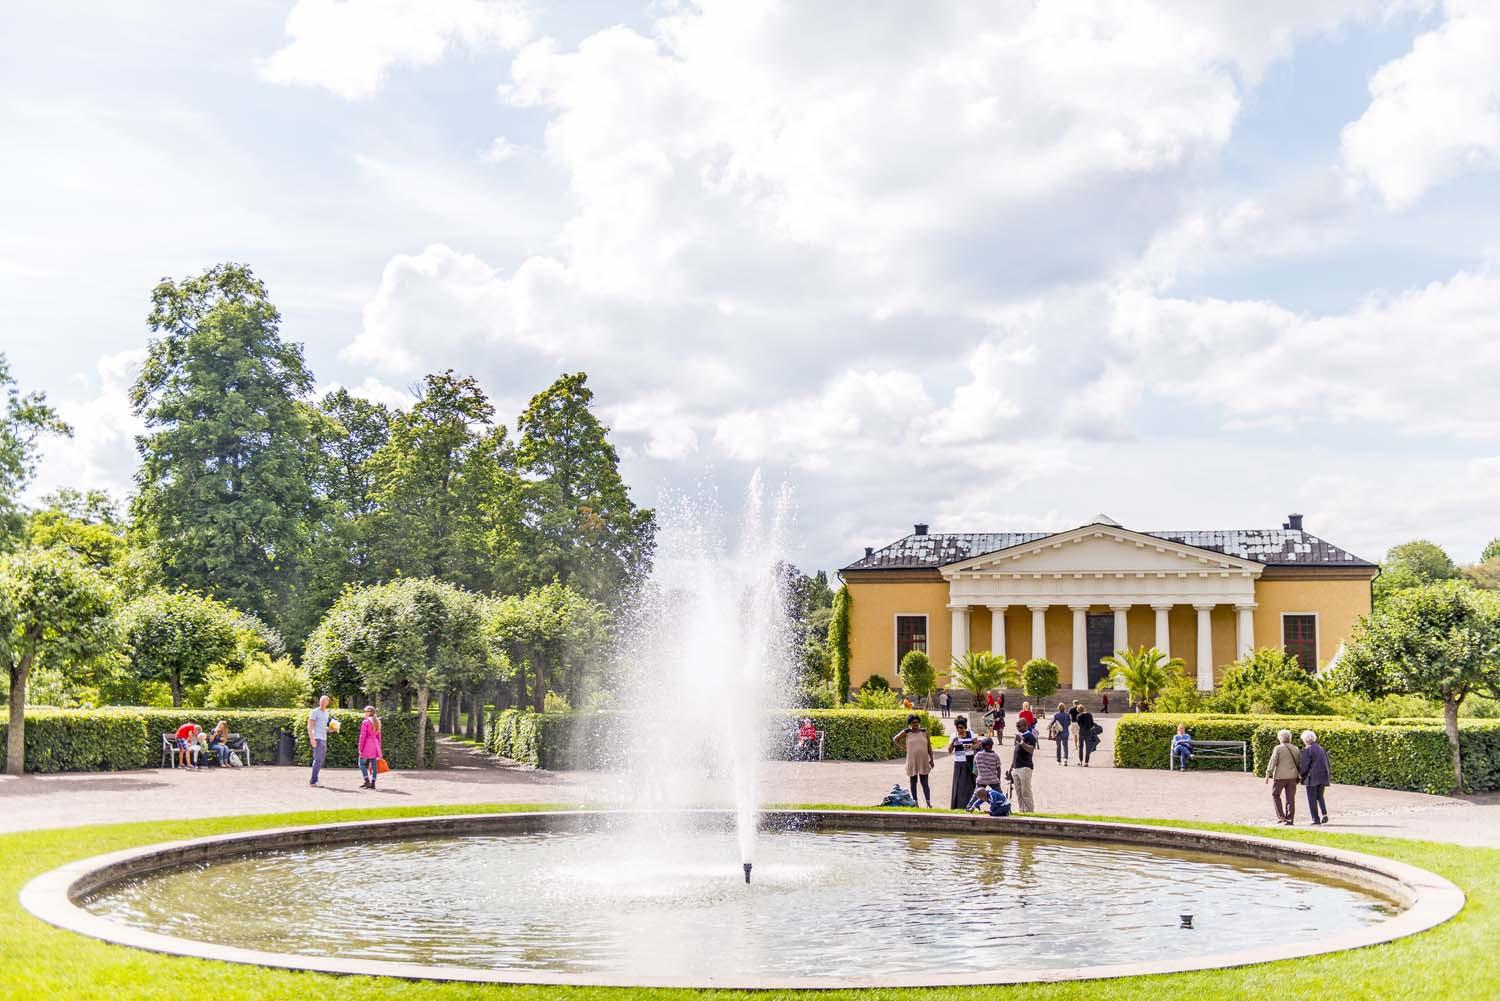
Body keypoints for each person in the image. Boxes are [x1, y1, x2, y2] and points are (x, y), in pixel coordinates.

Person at [891, 715, 934, 808]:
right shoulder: (907, 732)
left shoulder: (924, 732)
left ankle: (928, 802)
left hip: (923, 760)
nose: (916, 724)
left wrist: (931, 759)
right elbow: (895, 739)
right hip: (912, 760)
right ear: (909, 724)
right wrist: (904, 748)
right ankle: (915, 803)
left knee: (925, 783)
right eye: (913, 723)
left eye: (917, 722)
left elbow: (929, 746)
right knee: (913, 782)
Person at [1265, 728, 1302, 825]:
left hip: (1280, 777)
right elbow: (1299, 763)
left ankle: (1281, 817)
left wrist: (1268, 773)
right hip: (1293, 777)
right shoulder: (1296, 748)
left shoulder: (1278, 748)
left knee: (1275, 794)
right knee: (1290, 798)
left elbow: (1273, 761)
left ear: (1280, 738)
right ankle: (1290, 819)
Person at [1299, 730, 1331, 825]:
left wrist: (1301, 775)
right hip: (1323, 776)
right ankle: (1324, 814)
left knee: (1312, 799)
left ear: (1306, 740)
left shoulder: (1307, 749)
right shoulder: (1321, 748)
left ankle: (1315, 819)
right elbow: (1327, 763)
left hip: (1312, 777)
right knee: (1320, 796)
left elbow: (1305, 765)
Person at [948, 716, 978, 809]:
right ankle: (958, 805)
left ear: (965, 727)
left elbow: (977, 745)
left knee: (970, 784)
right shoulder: (954, 736)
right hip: (959, 763)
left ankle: (971, 804)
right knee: (959, 785)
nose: (959, 730)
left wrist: (970, 746)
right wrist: (953, 742)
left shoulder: (971, 734)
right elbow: (949, 750)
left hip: (969, 761)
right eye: (957, 728)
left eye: (961, 728)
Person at [967, 737, 1003, 811]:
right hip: (993, 779)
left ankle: (969, 807)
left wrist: (978, 775)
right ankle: (1005, 806)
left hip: (981, 779)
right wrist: (998, 779)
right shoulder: (995, 756)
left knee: (976, 794)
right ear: (991, 746)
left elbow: (975, 767)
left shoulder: (978, 755)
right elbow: (998, 769)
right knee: (1000, 794)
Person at [1010, 724, 1038, 813]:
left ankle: (1029, 810)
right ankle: (1021, 810)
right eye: (1017, 726)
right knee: (1018, 791)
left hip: (1025, 767)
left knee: (1025, 791)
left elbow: (1031, 750)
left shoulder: (1030, 736)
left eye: (1019, 726)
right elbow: (1015, 752)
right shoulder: (1019, 736)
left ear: (1025, 726)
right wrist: (1011, 767)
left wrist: (1021, 742)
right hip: (1016, 767)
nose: (1017, 728)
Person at [307, 694, 333, 787]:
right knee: (318, 759)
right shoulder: (315, 712)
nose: (322, 703)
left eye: (324, 701)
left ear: (327, 703)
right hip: (317, 738)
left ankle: (315, 780)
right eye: (321, 701)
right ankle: (313, 781)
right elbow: (310, 726)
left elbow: (323, 727)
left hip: (324, 738)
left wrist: (331, 729)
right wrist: (312, 738)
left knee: (320, 760)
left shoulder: (326, 713)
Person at [358, 706, 383, 790]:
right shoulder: (378, 721)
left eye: (365, 711)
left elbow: (362, 736)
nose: (364, 713)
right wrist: (379, 747)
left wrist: (360, 748)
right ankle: (373, 783)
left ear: (369, 712)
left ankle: (366, 781)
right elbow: (379, 736)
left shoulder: (365, 722)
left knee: (361, 763)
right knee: (374, 765)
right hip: (375, 744)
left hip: (367, 745)